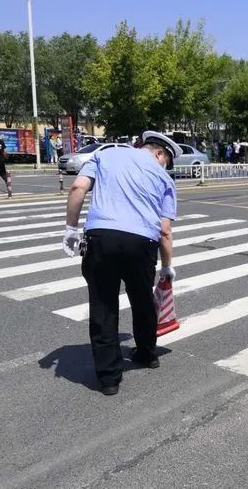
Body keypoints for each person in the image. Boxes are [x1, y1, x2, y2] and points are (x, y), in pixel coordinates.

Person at [62, 131, 180, 396]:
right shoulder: (164, 179)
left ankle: (109, 378)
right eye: (166, 161)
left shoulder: (105, 154)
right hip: (142, 244)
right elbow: (165, 231)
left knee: (103, 304)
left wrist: (71, 228)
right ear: (159, 153)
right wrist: (167, 266)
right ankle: (148, 354)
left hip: (101, 238)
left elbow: (78, 187)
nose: (164, 167)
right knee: (142, 299)